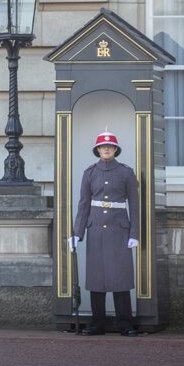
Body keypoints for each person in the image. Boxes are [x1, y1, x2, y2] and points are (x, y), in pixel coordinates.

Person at [70, 131, 141, 336]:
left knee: (121, 278)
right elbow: (83, 205)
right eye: (103, 146)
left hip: (119, 230)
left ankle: (125, 323)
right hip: (96, 229)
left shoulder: (126, 173)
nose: (106, 149)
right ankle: (97, 323)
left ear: (115, 149)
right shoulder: (90, 173)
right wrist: (77, 232)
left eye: (110, 146)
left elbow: (134, 206)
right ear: (98, 150)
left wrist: (134, 233)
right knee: (97, 278)